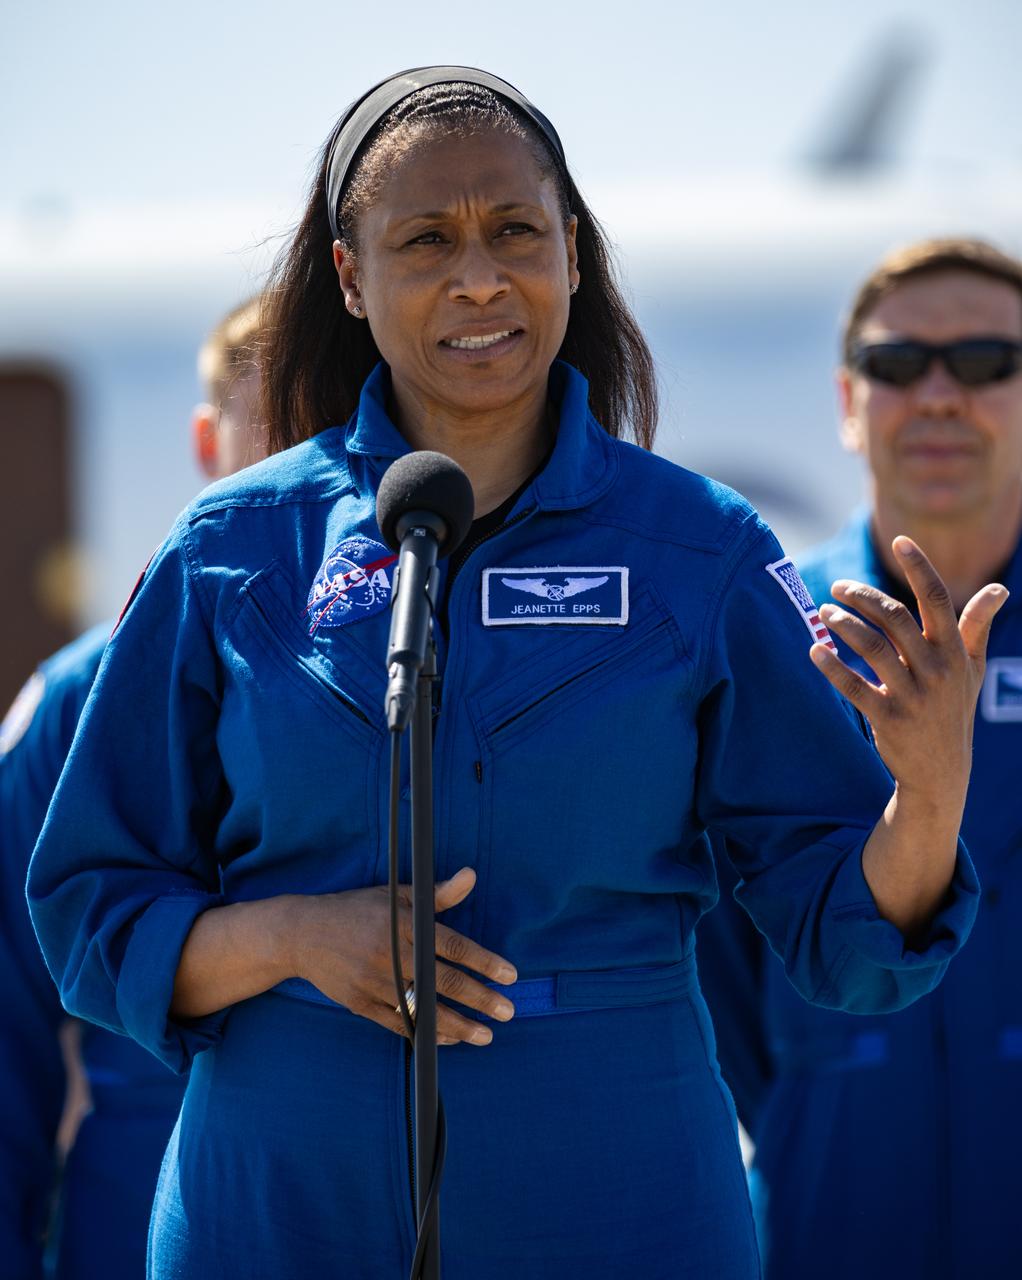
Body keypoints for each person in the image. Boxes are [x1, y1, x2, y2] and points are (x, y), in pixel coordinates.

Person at [25, 71, 1004, 1280]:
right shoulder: (230, 549)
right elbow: (88, 906)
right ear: (349, 276)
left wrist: (927, 792)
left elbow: (844, 945)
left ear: (572, 253)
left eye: (515, 232)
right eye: (426, 240)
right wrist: (293, 936)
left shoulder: (698, 551)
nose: (479, 278)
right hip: (279, 1207)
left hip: (621, 1204)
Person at [698, 236, 1022, 1279]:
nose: (939, 395)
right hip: (827, 1208)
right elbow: (716, 947)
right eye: (897, 364)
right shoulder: (772, 635)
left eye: (986, 362)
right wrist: (823, 1102)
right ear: (847, 399)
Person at [0, 295, 266, 1280]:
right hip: (139, 1217)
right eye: (278, 437)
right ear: (207, 441)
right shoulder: (80, 700)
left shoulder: (441, 683)